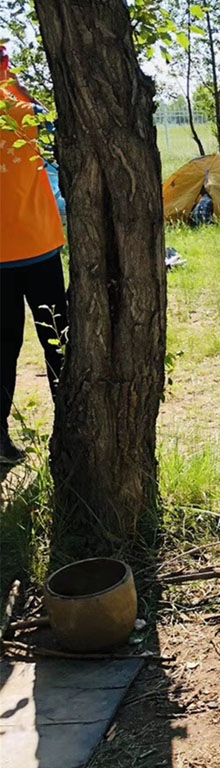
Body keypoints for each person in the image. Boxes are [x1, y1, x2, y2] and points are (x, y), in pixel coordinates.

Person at [0, 44, 68, 464]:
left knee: (4, 344)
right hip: (38, 243)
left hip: (35, 242)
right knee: (58, 339)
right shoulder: (22, 102)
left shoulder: (19, 97)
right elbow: (55, 129)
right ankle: (73, 428)